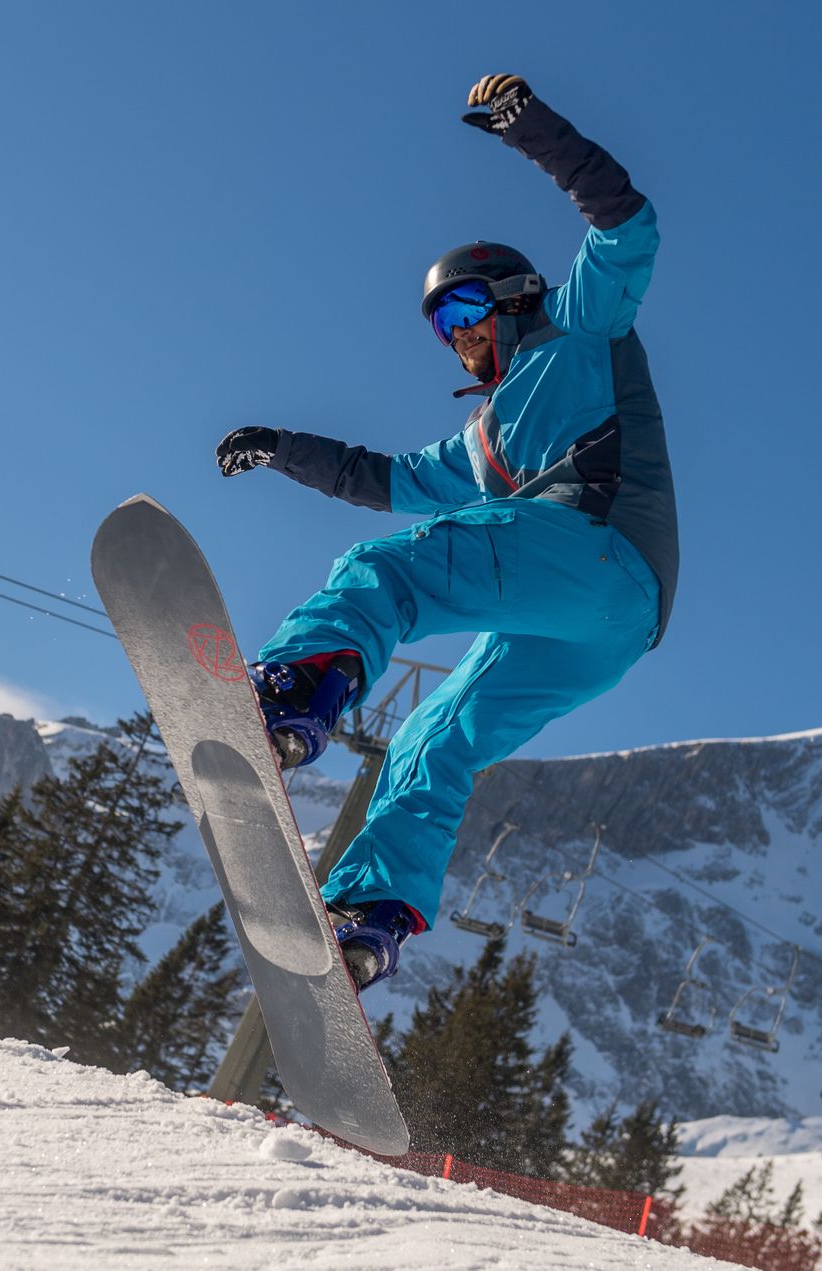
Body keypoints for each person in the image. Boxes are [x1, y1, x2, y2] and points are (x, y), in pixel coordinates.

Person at [215, 74, 677, 991]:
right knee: (436, 737)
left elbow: (627, 225)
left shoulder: (579, 325)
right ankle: (373, 913)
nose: (456, 336)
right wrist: (281, 448)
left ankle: (300, 686)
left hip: (601, 551)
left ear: (512, 295)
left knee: (390, 571)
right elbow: (382, 478)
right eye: (440, 327)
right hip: (600, 630)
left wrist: (533, 129)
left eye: (464, 311)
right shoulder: (482, 441)